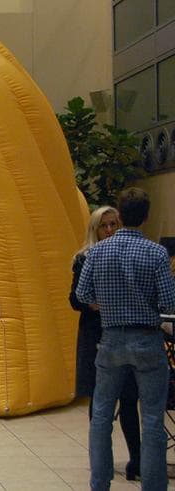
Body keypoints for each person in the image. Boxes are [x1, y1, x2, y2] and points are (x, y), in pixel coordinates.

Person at [77, 187, 175, 491]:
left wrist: (108, 304)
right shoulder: (157, 253)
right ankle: (154, 486)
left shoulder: (96, 252)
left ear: (118, 216)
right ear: (145, 216)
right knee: (152, 418)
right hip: (147, 341)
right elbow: (169, 302)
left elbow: (82, 294)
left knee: (102, 415)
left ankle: (99, 483)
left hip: (110, 341)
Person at [69, 206, 140, 480]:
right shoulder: (84, 259)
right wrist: (96, 306)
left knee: (129, 399)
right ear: (95, 228)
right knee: (99, 402)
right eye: (105, 226)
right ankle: (101, 462)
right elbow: (75, 299)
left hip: (123, 333)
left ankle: (136, 460)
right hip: (95, 333)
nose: (110, 230)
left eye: (114, 225)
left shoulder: (127, 255)